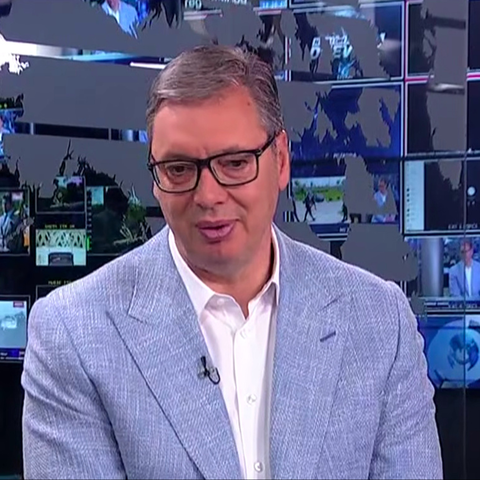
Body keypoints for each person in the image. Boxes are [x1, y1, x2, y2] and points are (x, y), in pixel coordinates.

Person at [22, 45, 443, 479]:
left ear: (281, 160)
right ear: (155, 179)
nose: (208, 196)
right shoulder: (74, 333)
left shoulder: (379, 321)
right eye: (179, 169)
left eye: (235, 163)